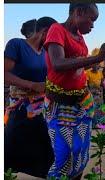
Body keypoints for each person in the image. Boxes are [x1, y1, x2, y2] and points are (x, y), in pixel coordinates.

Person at [44, 3, 105, 179]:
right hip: (60, 104)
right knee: (62, 153)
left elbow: (80, 65)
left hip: (82, 101)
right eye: (91, 19)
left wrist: (100, 59)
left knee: (80, 149)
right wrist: (97, 57)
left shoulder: (80, 37)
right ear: (78, 12)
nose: (92, 25)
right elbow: (58, 64)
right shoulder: (56, 29)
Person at [4, 17, 57, 178]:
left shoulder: (46, 53)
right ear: (44, 32)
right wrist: (32, 85)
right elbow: (4, 74)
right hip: (20, 109)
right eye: (54, 35)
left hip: (43, 111)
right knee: (12, 149)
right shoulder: (17, 45)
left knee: (45, 152)